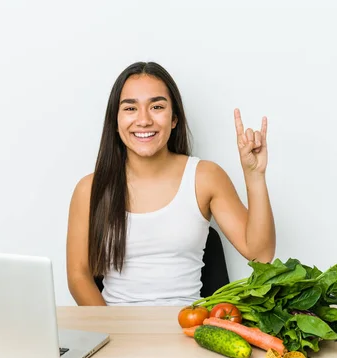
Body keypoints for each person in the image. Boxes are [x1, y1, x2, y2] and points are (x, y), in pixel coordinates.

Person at [66, 62, 276, 306]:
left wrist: (255, 175)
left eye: (156, 107)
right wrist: (113, 331)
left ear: (174, 118)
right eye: (130, 108)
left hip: (188, 328)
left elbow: (261, 255)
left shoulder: (205, 177)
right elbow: (78, 276)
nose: (143, 120)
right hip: (116, 330)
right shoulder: (90, 189)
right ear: (115, 120)